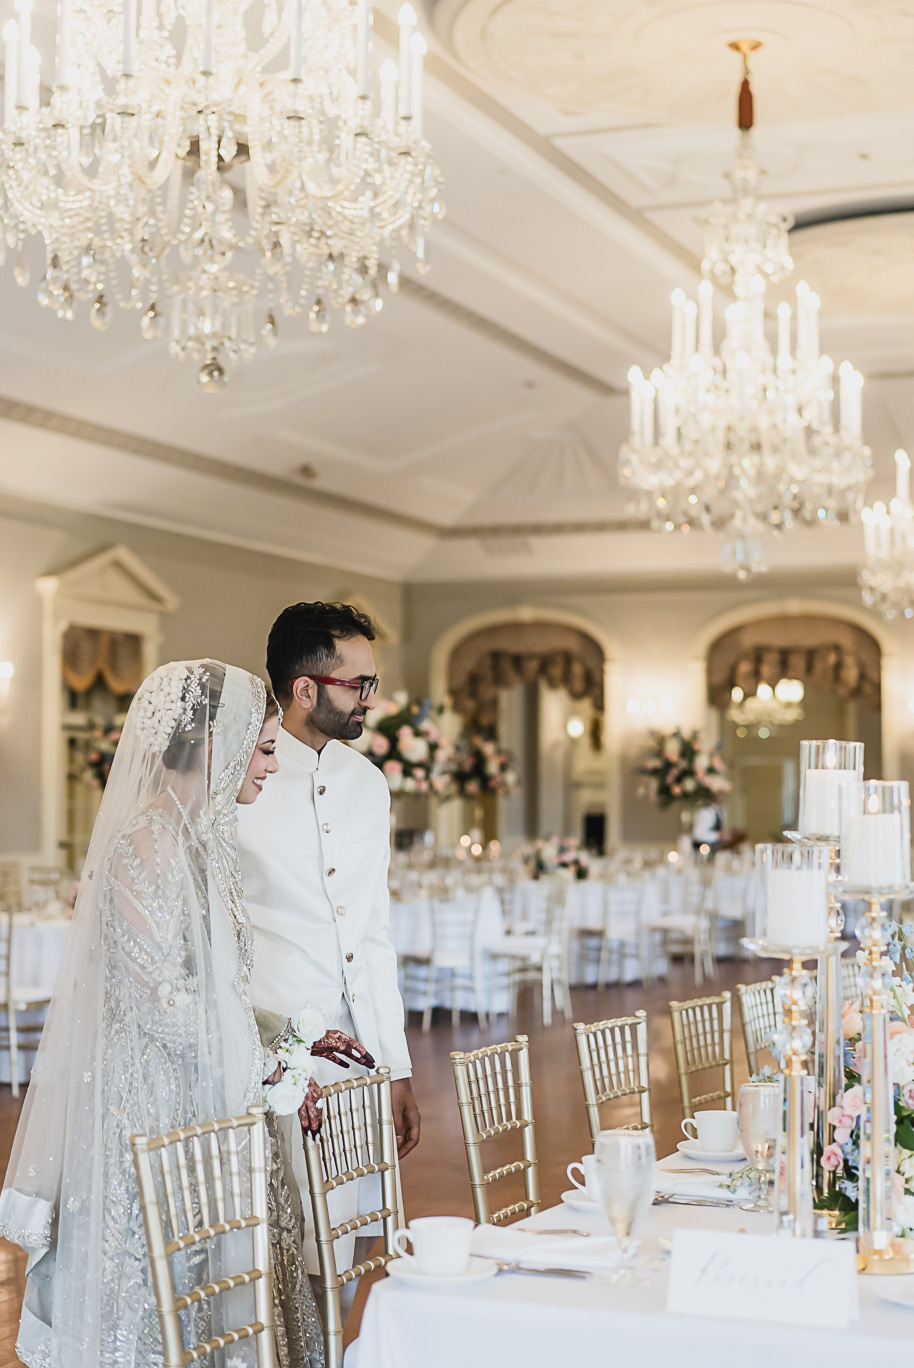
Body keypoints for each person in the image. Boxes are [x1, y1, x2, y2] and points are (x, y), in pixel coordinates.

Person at [0, 660, 362, 1368]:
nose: (270, 768)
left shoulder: (205, 841)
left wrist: (288, 1039)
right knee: (167, 1293)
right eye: (262, 750)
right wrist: (268, 1066)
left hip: (209, 1094)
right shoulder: (148, 843)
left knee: (226, 1285)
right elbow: (162, 1002)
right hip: (156, 1108)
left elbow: (214, 988)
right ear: (213, 746)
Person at [237, 601, 418, 1295]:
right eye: (359, 683)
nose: (371, 698)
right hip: (278, 1063)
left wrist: (395, 1067)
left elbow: (373, 931)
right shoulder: (240, 780)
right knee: (285, 1254)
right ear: (305, 687)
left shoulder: (367, 784)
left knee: (351, 1248)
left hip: (358, 1062)